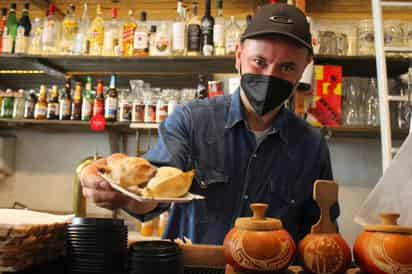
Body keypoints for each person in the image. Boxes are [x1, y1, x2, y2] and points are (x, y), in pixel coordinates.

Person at [80, 3, 339, 245]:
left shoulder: (311, 146)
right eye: (259, 62)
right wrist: (121, 192)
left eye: (287, 67)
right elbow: (153, 189)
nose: (269, 76)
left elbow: (321, 230)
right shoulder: (190, 120)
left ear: (305, 67)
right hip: (193, 266)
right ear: (238, 55)